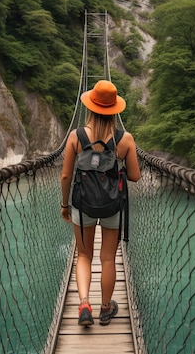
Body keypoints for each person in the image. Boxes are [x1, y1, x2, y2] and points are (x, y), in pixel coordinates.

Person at [60, 80, 141, 327]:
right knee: (108, 258)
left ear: (90, 107)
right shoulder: (125, 138)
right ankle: (106, 309)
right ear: (114, 109)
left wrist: (65, 205)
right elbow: (135, 176)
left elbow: (65, 176)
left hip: (82, 205)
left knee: (83, 255)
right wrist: (115, 168)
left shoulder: (76, 136)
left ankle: (84, 304)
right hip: (112, 206)